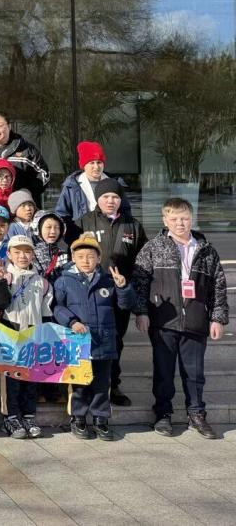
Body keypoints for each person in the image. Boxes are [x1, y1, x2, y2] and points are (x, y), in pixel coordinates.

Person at [133, 197, 227, 439]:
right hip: (164, 320)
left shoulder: (206, 250)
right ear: (165, 220)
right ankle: (163, 414)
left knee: (194, 373)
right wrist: (142, 312)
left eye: (184, 218)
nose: (180, 223)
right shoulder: (153, 247)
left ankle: (196, 414)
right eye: (174, 218)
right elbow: (140, 283)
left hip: (196, 319)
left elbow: (218, 286)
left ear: (192, 218)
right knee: (163, 371)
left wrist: (217, 318)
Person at [54, 232, 138, 441]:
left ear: (99, 258)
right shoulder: (64, 281)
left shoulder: (108, 281)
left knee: (102, 383)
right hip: (78, 341)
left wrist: (123, 287)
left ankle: (101, 419)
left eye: (91, 256)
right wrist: (72, 322)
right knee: (80, 383)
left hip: (104, 340)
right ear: (73, 258)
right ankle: (78, 418)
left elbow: (125, 305)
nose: (86, 261)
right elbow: (57, 307)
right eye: (81, 257)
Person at [77, 177, 147, 405]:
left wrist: (136, 299)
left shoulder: (133, 225)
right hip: (90, 293)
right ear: (98, 199)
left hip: (120, 294)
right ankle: (86, 385)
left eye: (115, 197)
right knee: (89, 339)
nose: (110, 200)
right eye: (106, 196)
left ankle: (112, 385)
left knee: (115, 340)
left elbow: (143, 264)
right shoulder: (84, 222)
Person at [0, 235, 54, 439]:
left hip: (33, 333)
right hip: (11, 332)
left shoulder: (42, 282)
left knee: (30, 377)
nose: (22, 256)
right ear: (9, 254)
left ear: (33, 254)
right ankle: (11, 417)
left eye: (27, 251)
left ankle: (28, 415)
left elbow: (46, 312)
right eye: (17, 252)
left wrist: (45, 336)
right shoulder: (6, 276)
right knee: (11, 378)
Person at [56, 141, 132, 237]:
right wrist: (71, 236)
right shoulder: (72, 186)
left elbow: (125, 211)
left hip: (111, 236)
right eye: (92, 163)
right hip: (82, 236)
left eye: (99, 162)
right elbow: (62, 214)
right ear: (84, 165)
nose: (96, 167)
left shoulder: (115, 184)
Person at [0, 113, 50, 206]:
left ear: (9, 126)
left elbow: (44, 174)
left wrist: (28, 191)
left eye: (0, 126)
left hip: (21, 208)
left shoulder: (26, 150)